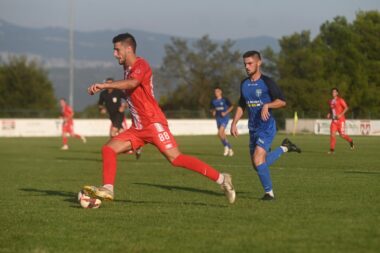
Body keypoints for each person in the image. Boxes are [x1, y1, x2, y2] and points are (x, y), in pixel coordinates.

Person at [84, 33, 235, 204]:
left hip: (153, 123)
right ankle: (108, 189)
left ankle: (223, 179)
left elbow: (133, 83)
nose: (114, 54)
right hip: (138, 128)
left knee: (176, 159)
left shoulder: (141, 64)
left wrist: (105, 85)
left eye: (117, 50)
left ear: (128, 49)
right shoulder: (126, 69)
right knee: (108, 149)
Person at [230, 50, 301, 201]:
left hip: (267, 126)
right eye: (245, 64)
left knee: (258, 159)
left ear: (258, 63)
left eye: (250, 63)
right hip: (253, 128)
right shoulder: (244, 84)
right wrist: (234, 122)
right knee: (258, 164)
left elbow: (282, 101)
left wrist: (267, 105)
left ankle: (269, 194)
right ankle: (285, 147)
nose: (247, 67)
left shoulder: (268, 82)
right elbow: (242, 104)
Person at [327, 88, 354, 154]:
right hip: (334, 121)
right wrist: (329, 113)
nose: (333, 93)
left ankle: (350, 140)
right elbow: (331, 109)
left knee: (342, 135)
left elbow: (346, 108)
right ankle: (332, 150)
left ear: (337, 93)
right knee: (332, 135)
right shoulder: (330, 101)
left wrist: (340, 115)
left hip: (341, 121)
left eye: (334, 92)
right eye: (332, 92)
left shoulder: (340, 100)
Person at [210, 87, 234, 156]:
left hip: (225, 118)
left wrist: (226, 112)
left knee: (220, 133)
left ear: (220, 92)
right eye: (215, 92)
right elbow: (212, 109)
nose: (216, 93)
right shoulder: (213, 101)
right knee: (221, 134)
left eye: (217, 91)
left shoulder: (225, 99)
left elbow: (231, 106)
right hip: (218, 118)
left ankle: (227, 147)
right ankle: (229, 148)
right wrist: (213, 111)